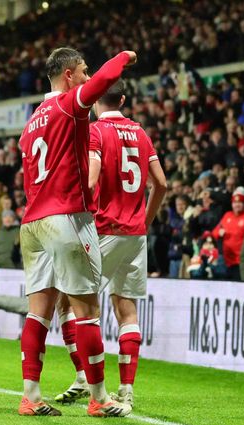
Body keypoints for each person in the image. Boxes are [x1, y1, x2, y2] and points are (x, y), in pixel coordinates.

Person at [16, 48, 136, 417]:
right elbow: (101, 83)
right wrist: (123, 57)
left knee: (38, 313)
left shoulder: (33, 119)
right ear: (69, 75)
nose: (87, 77)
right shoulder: (70, 104)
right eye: (82, 71)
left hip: (33, 221)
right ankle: (99, 397)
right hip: (66, 216)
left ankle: (30, 396)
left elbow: (25, 172)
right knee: (87, 312)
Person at [53, 80, 167, 408]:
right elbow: (161, 183)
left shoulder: (96, 132)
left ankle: (85, 378)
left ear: (94, 100)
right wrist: (144, 222)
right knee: (126, 310)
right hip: (134, 234)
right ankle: (127, 391)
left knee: (69, 302)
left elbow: (90, 180)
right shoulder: (141, 134)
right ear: (124, 99)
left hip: (104, 230)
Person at [212, 188, 244, 280]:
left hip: (241, 262)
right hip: (226, 261)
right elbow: (214, 232)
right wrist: (219, 233)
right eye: (235, 203)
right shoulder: (227, 215)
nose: (237, 205)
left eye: (240, 202)